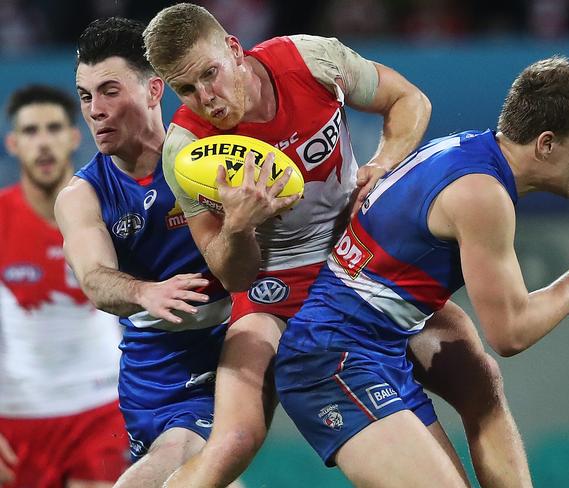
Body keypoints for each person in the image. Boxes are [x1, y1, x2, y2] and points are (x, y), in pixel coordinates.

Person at [144, 3, 531, 487]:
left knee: (481, 381)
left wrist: (385, 162)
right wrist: (239, 226)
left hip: (358, 267)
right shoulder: (184, 149)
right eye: (186, 89)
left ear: (234, 50)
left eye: (210, 75)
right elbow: (231, 275)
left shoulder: (311, 61)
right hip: (270, 293)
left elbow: (410, 100)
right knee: (234, 442)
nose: (207, 99)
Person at [274, 56, 569, 486]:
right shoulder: (482, 196)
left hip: (377, 347)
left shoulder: (469, 148)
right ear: (546, 144)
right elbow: (510, 333)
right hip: (330, 359)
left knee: (481, 381)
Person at [53, 18, 242, 488]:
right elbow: (95, 278)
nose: (94, 110)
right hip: (165, 373)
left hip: (251, 335)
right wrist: (145, 292)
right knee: (175, 458)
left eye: (110, 91)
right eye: (85, 96)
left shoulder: (213, 150)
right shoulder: (83, 195)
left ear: (155, 89)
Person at [0, 85, 127, 487]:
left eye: (54, 128)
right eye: (31, 131)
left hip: (101, 408)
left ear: (74, 137)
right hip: (16, 415)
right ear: (13, 143)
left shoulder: (114, 212)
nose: (43, 143)